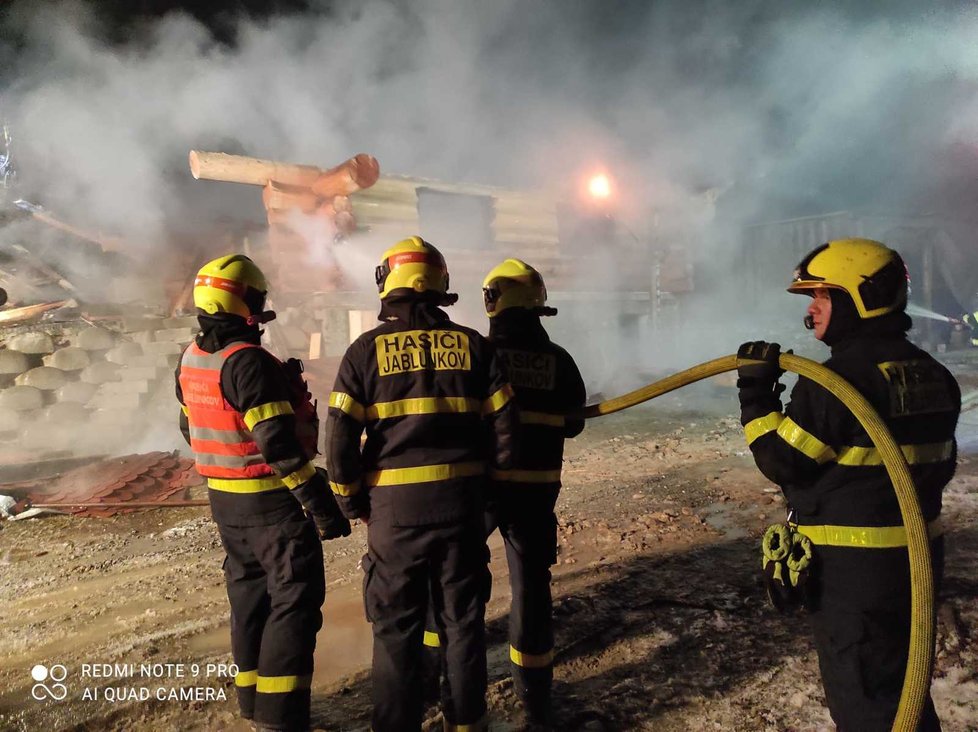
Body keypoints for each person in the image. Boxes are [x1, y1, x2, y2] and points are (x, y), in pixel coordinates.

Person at [737, 238, 959, 731]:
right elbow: (939, 464)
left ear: (861, 298)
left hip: (854, 574)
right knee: (906, 690)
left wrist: (754, 397)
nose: (812, 309)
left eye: (822, 295)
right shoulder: (933, 373)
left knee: (863, 700)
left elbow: (783, 461)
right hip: (917, 559)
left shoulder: (837, 381)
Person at [324, 235, 518, 732]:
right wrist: (490, 494)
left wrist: (350, 502)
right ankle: (467, 723)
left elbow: (340, 440)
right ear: (440, 285)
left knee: (395, 631)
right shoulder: (475, 347)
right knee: (462, 625)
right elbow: (505, 428)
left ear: (389, 283)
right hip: (461, 509)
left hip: (394, 514)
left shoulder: (364, 352)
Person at [175, 254, 350, 732]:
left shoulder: (192, 356)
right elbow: (279, 445)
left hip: (225, 501)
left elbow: (189, 425)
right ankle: (280, 716)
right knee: (293, 600)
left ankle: (251, 701)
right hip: (270, 501)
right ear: (242, 301)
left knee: (249, 596)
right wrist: (321, 506)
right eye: (256, 297)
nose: (261, 304)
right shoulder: (248, 363)